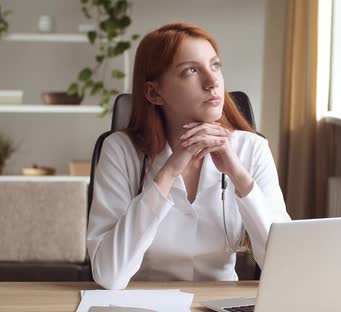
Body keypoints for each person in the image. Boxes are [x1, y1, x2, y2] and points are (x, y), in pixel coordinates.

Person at [87, 22, 291, 290]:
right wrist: (168, 173)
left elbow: (285, 267)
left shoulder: (252, 149)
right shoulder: (120, 151)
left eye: (215, 66)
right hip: (142, 303)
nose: (212, 81)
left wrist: (240, 176)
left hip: (220, 303)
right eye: (191, 71)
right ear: (154, 92)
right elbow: (109, 274)